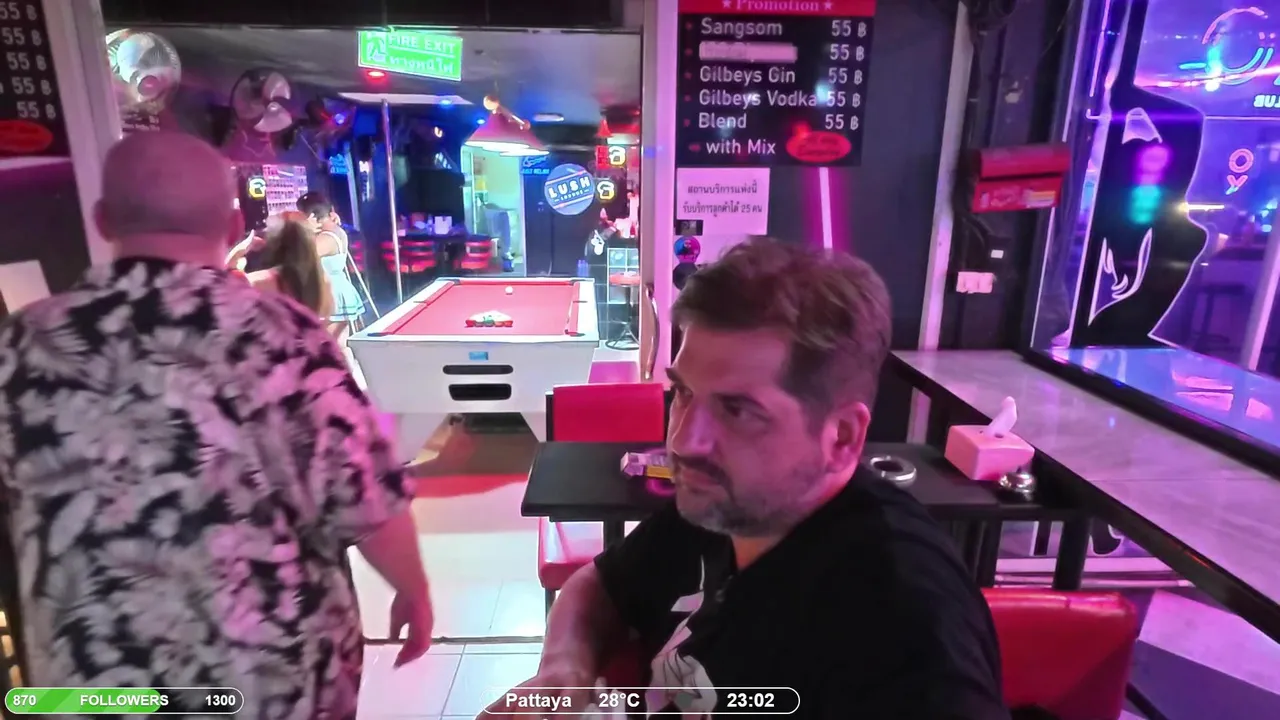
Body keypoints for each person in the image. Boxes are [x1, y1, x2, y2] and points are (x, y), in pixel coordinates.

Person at [0, 131, 433, 719]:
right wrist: (413, 590)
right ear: (232, 228)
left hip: (85, 685)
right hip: (264, 682)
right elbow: (365, 496)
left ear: (102, 221)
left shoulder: (20, 344)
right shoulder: (284, 335)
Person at [486, 238, 1008, 719]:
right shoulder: (725, 505)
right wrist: (564, 673)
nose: (683, 442)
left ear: (842, 437)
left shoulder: (904, 631)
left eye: (737, 410)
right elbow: (601, 583)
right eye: (683, 394)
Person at [297, 191, 364, 342]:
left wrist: (303, 231)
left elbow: (298, 257)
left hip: (329, 294)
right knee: (339, 345)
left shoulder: (325, 238)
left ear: (311, 216)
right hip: (333, 290)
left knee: (330, 345)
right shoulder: (334, 231)